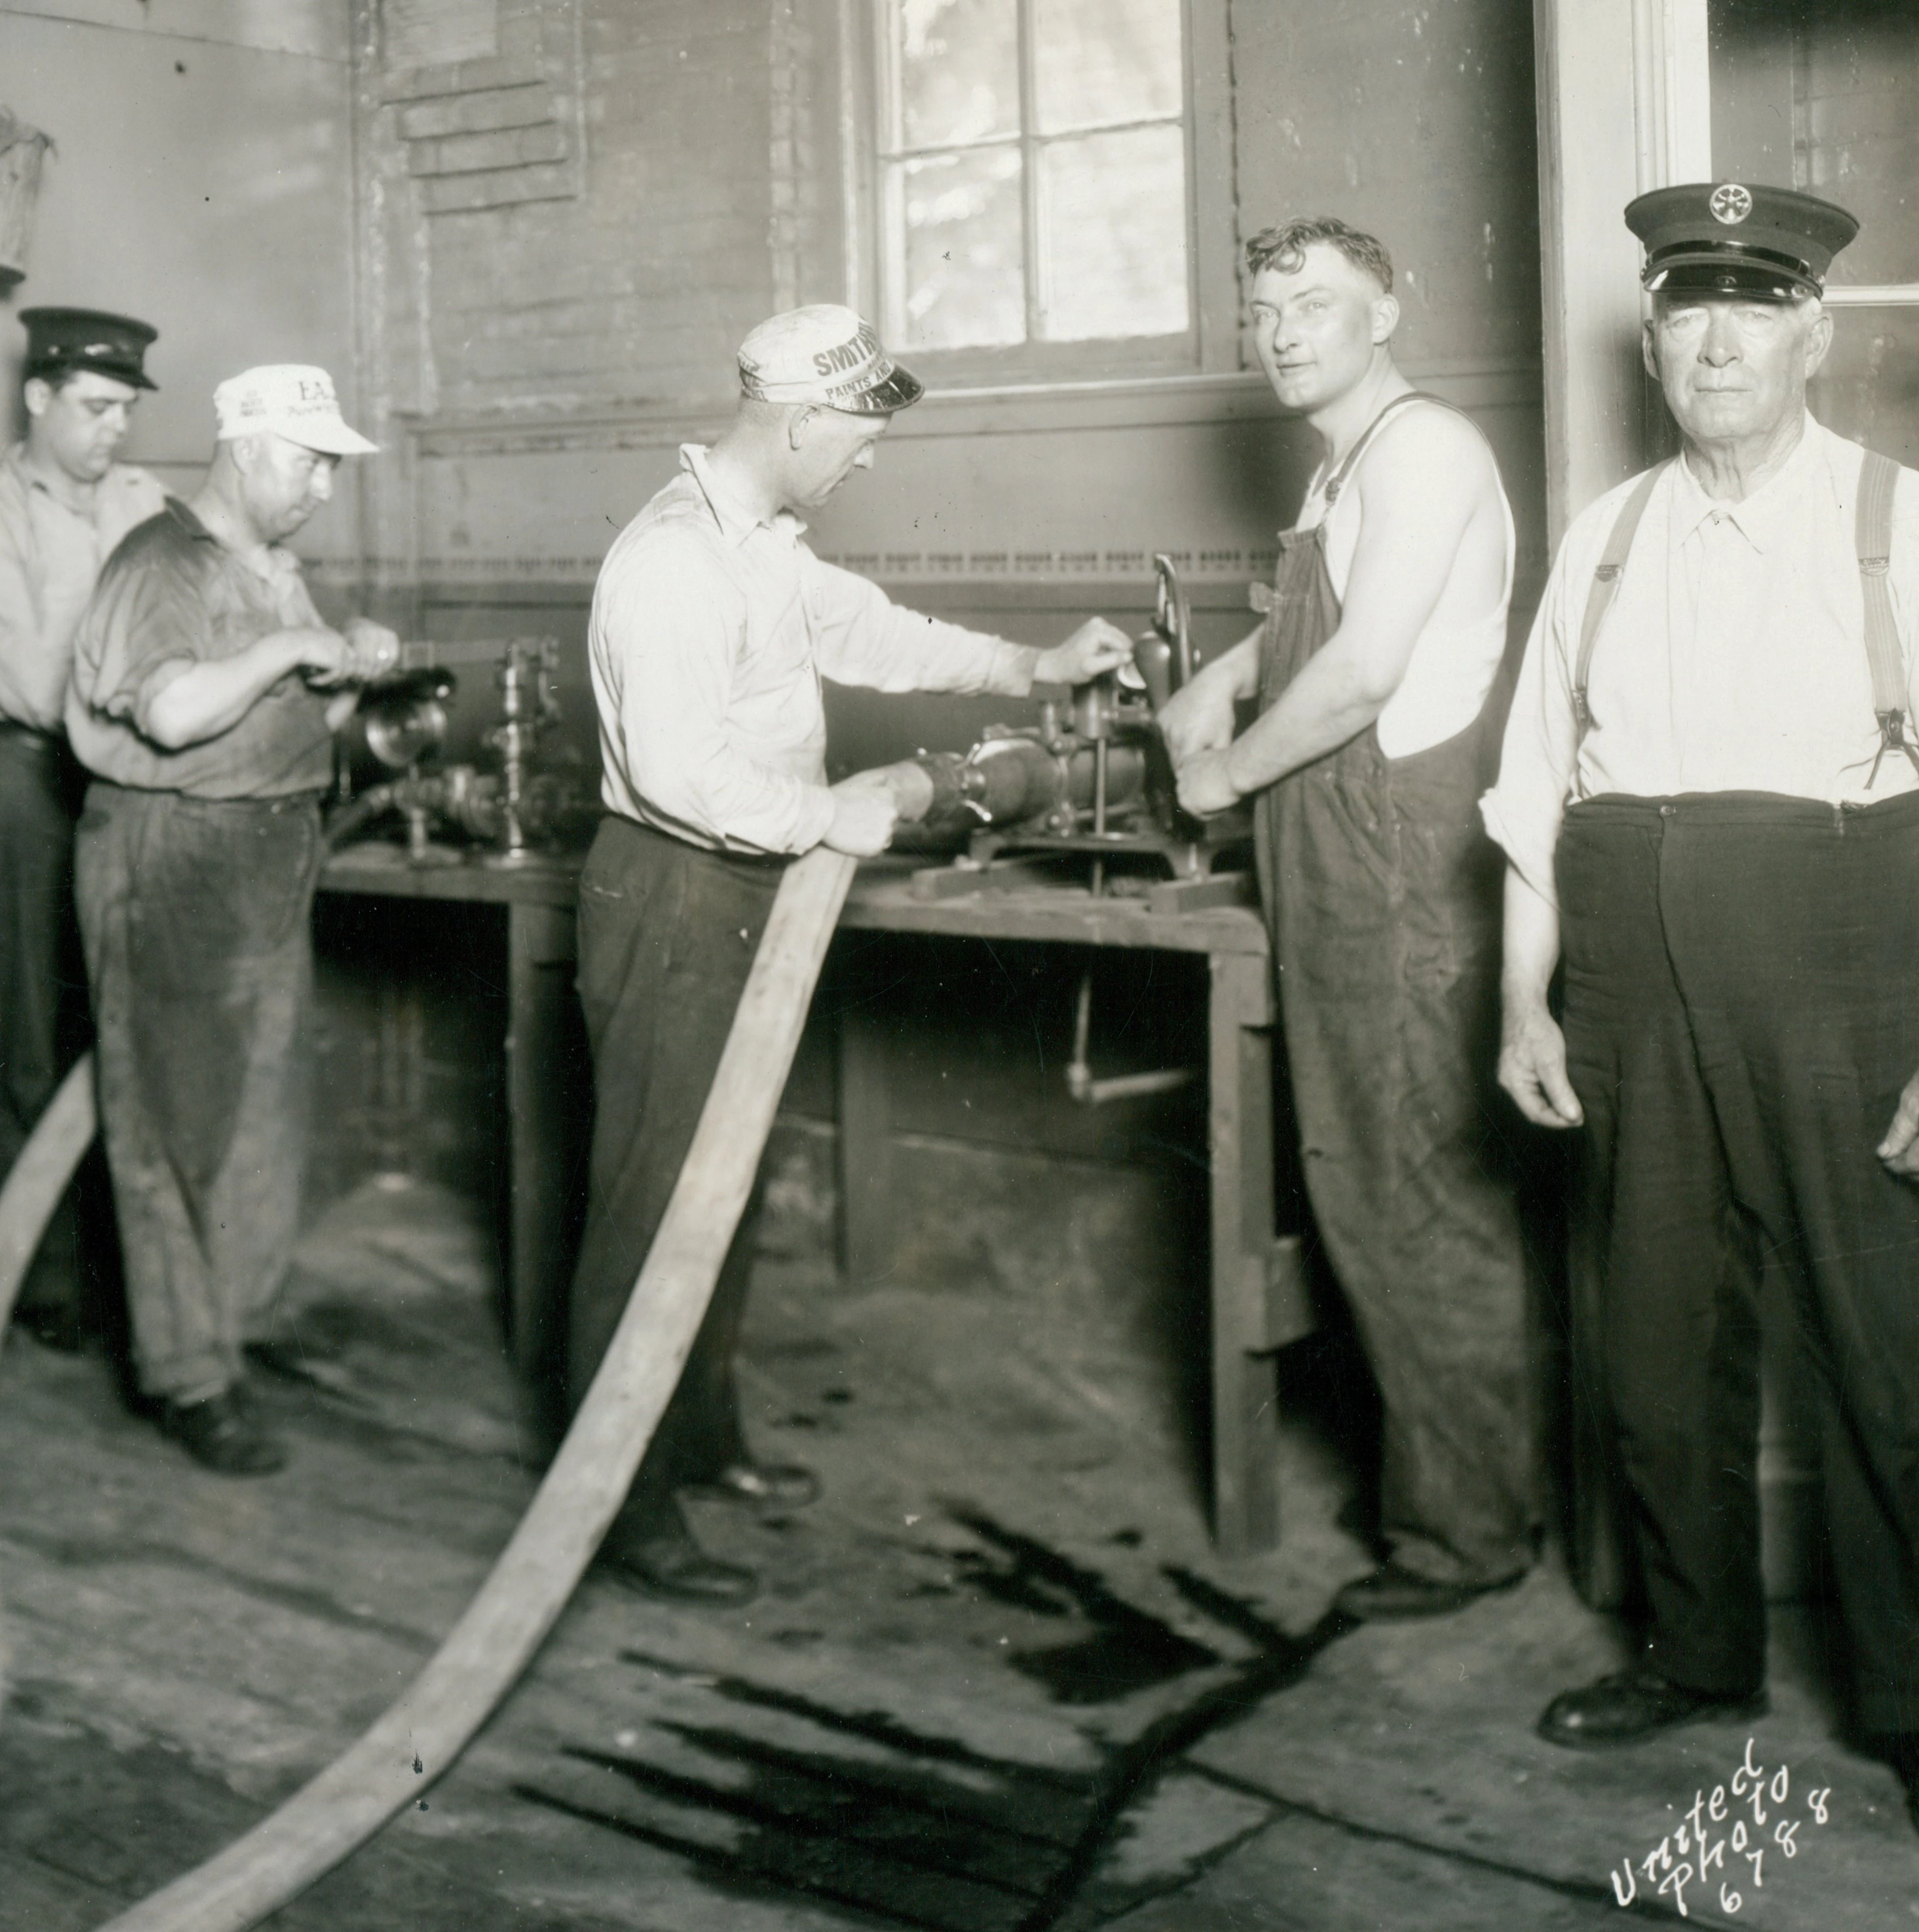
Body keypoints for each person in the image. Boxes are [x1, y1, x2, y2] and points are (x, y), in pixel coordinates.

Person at [1487, 183, 1919, 1854]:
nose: (1718, 335)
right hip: (1625, 982)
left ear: (1815, 329)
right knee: (1654, 1355)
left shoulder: (1908, 525)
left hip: (1841, 969)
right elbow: (1536, 794)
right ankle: (1693, 1653)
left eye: (1756, 300)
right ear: (1651, 338)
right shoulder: (1599, 537)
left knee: (1880, 1363)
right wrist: (1525, 995)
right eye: (1686, 305)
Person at [571, 303, 1134, 1606]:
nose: (867, 458)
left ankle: (697, 1441)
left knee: (724, 1190)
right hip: (678, 891)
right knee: (652, 1205)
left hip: (752, 889)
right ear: (800, 418)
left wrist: (1032, 664)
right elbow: (675, 774)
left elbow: (871, 632)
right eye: (860, 432)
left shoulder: (762, 544)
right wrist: (832, 812)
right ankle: (617, 1505)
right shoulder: (669, 561)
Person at [1159, 216, 1539, 1623]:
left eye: (1315, 304)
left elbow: (1368, 670)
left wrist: (1219, 774)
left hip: (1393, 855)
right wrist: (1224, 675)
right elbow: (1322, 621)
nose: (1282, 330)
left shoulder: (1428, 447)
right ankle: (1464, 1495)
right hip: (1334, 852)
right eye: (1262, 309)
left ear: (1389, 310)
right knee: (1373, 1186)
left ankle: (1468, 1534)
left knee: (1415, 1195)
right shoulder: (1349, 467)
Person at [67, 363, 400, 1476]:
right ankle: (189, 1375)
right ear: (250, 447)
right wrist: (293, 648)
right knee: (171, 1124)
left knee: (262, 1108)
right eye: (309, 461)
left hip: (267, 846)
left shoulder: (273, 568)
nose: (319, 485)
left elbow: (300, 715)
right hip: (173, 852)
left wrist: (352, 659)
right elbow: (169, 711)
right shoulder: (159, 561)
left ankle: (244, 1322)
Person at [0, 306, 169, 1354]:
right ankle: (44, 1285)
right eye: (95, 406)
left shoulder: (143, 500)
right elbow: (28, 687)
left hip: (110, 783)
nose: (115, 428)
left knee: (108, 1033)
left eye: (126, 409)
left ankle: (118, 1281)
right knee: (20, 1042)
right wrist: (164, 689)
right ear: (38, 397)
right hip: (10, 786)